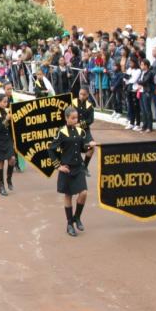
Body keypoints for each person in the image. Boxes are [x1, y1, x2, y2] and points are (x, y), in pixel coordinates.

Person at [49, 105, 95, 237]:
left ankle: (77, 217)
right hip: (67, 168)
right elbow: (51, 149)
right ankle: (69, 223)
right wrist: (58, 166)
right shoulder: (61, 132)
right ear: (66, 118)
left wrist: (89, 147)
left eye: (76, 118)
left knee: (84, 193)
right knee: (68, 196)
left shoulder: (81, 131)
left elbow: (82, 148)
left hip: (78, 167)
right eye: (73, 118)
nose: (76, 120)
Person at [0, 93, 16, 196]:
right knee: (0, 163)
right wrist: (7, 119)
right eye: (4, 102)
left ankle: (9, 178)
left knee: (12, 160)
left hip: (8, 139)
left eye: (7, 102)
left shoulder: (7, 111)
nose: (6, 104)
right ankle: (1, 185)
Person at [72, 86, 97, 171]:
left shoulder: (90, 106)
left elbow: (91, 120)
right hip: (72, 129)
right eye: (80, 94)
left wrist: (80, 124)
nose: (82, 96)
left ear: (87, 95)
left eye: (84, 94)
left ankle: (84, 167)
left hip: (85, 131)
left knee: (91, 147)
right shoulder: (72, 102)